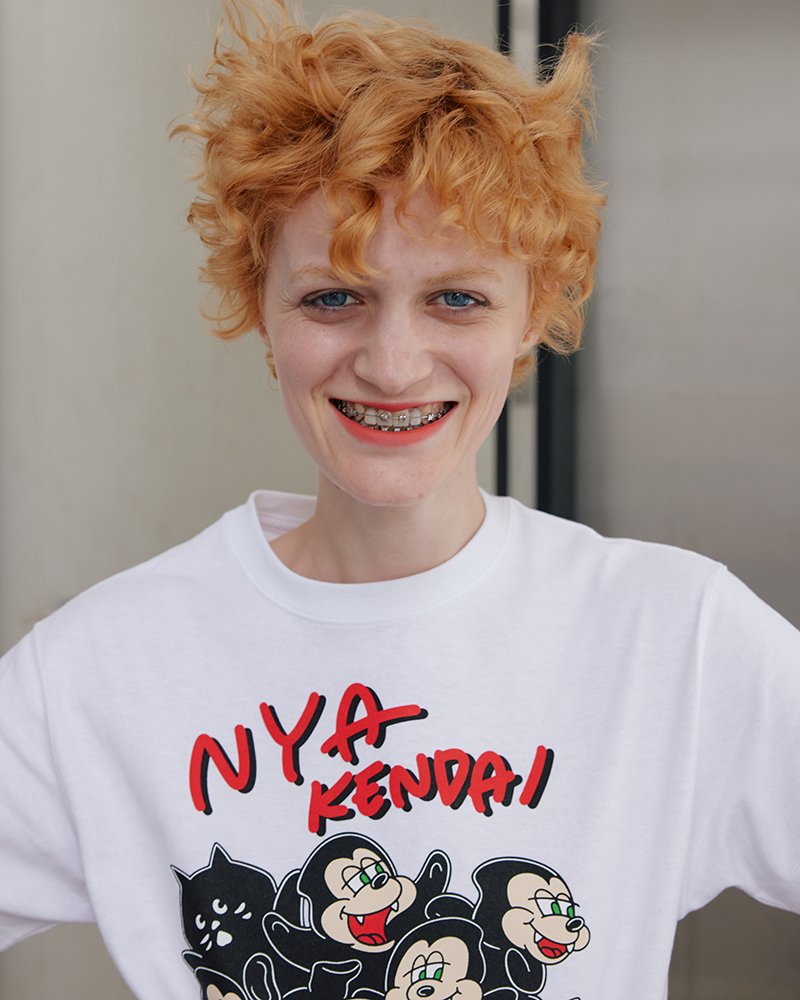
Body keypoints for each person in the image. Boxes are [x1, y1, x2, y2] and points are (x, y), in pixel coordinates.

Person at [1, 2, 799, 999]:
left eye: (456, 298)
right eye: (332, 297)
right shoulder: (98, 672)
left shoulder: (675, 639)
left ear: (532, 314)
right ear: (260, 309)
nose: (391, 364)